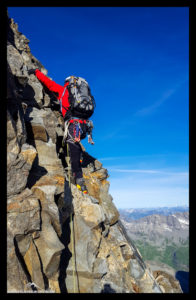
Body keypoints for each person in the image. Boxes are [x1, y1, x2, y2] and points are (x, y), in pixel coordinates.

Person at [28, 68, 94, 194]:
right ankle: (78, 158)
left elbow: (48, 83)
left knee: (73, 148)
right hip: (85, 126)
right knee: (76, 144)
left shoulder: (63, 90)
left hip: (74, 124)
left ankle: (78, 179)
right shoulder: (82, 95)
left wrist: (36, 72)